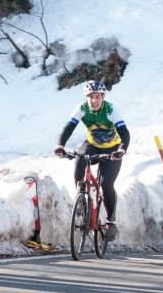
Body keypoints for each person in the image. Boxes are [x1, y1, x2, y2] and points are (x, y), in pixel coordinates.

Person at [54, 80, 130, 240]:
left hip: (113, 149)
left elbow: (124, 132)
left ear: (103, 97)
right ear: (86, 98)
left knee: (106, 184)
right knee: (80, 159)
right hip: (93, 145)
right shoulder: (81, 108)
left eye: (97, 97)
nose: (94, 100)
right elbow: (68, 128)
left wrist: (121, 149)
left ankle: (111, 222)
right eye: (91, 97)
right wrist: (60, 145)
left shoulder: (111, 109)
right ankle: (80, 197)